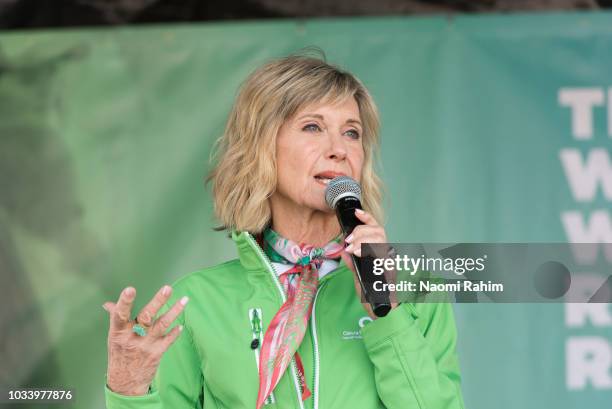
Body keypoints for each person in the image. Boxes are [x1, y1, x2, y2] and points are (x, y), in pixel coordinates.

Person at [103, 52, 465, 409]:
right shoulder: (195, 302)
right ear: (262, 147)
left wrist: (386, 313)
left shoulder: (417, 291)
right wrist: (128, 389)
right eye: (313, 127)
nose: (339, 149)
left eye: (352, 133)